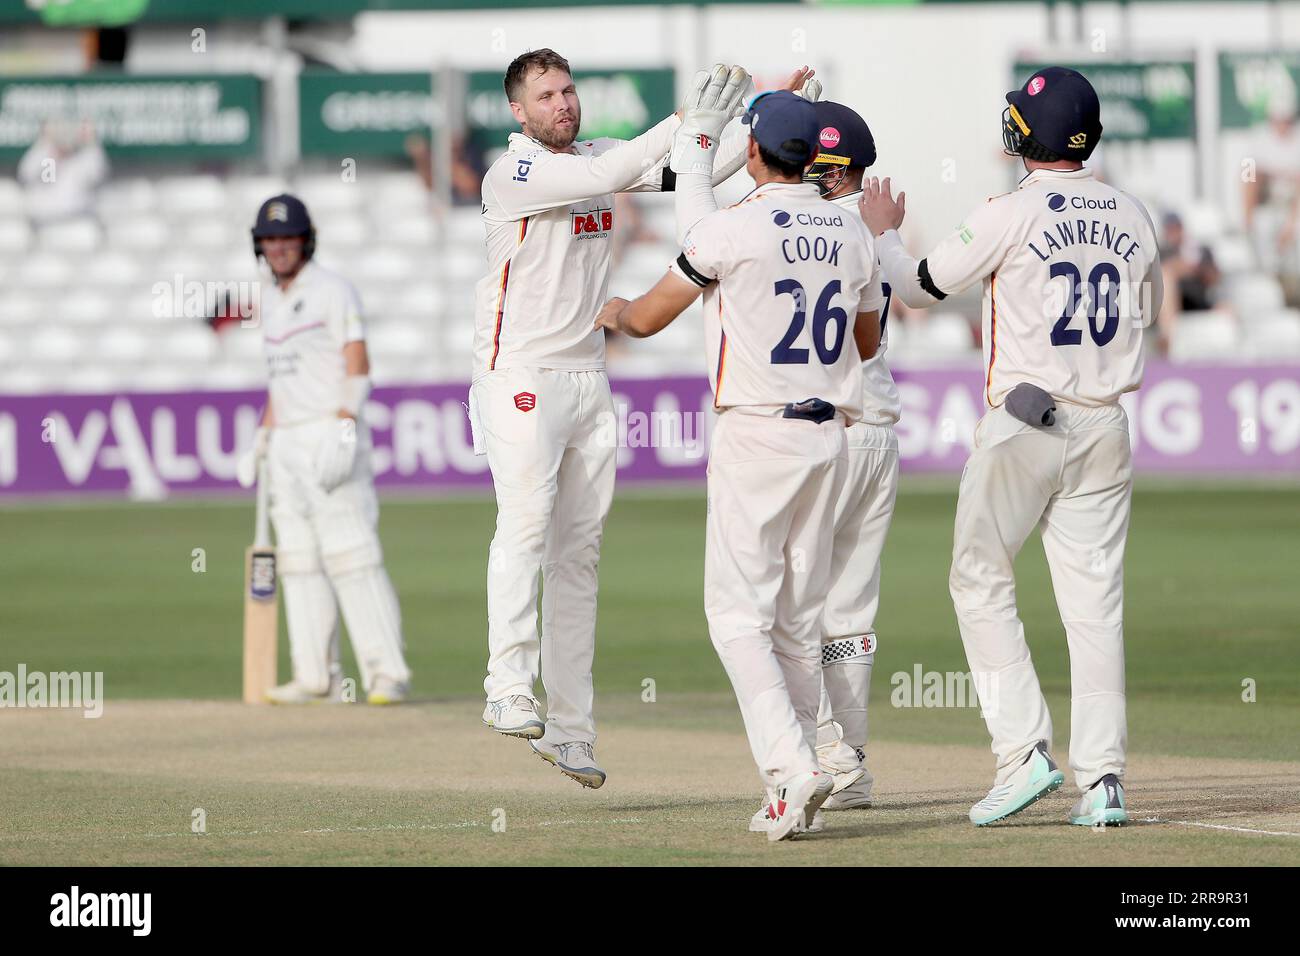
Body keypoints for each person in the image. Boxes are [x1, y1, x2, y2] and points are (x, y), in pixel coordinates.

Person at [468, 48, 796, 789]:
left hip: (586, 375)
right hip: (517, 374)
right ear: (519, 112)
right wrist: (686, 117)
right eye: (546, 95)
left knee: (579, 555)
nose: (563, 103)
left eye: (569, 89)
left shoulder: (599, 154)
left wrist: (768, 125)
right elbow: (603, 180)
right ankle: (507, 688)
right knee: (525, 523)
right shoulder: (514, 171)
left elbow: (700, 175)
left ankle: (572, 731)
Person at [861, 67, 1163, 827]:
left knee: (978, 578)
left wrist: (883, 234)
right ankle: (1104, 783)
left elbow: (920, 286)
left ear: (1024, 134)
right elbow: (1148, 310)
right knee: (1095, 606)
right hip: (1106, 423)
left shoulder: (1009, 210)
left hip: (1028, 419)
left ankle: (1022, 751)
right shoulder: (1133, 214)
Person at [596, 85, 885, 841]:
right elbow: (866, 344)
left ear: (752, 151)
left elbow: (650, 318)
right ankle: (793, 776)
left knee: (734, 617)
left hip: (758, 433)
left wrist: (613, 313)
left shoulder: (729, 228)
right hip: (831, 438)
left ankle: (794, 768)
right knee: (795, 620)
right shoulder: (853, 234)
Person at [238, 194, 412, 706]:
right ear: (259, 245)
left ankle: (387, 674)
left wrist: (344, 426)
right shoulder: (268, 300)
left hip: (328, 431)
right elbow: (282, 380)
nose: (279, 247)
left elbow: (357, 361)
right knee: (297, 560)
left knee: (351, 555)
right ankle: (315, 675)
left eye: (288, 237)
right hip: (288, 439)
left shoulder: (332, 290)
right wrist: (263, 434)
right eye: (270, 239)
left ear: (305, 239)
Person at [1243, 92, 1300, 304]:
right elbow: (1247, 175)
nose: (1282, 125)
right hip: (1267, 206)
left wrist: (1291, 223)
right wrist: (1247, 213)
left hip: (1293, 207)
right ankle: (1269, 296)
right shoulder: (1259, 139)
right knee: (1262, 229)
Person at [17, 120, 108, 230]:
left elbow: (96, 174)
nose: (65, 137)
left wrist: (90, 141)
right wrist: (47, 143)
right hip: (45, 224)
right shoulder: (44, 156)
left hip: (78, 223)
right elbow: (27, 173)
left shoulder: (84, 159)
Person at [1156, 211, 1222, 355]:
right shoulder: (1161, 251)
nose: (1173, 232)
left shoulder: (1201, 250)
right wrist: (1181, 267)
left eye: (1176, 228)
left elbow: (1214, 277)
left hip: (1199, 300)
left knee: (1229, 311)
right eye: (1169, 229)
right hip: (1172, 303)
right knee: (1166, 278)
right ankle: (1168, 338)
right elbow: (1159, 273)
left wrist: (1195, 269)